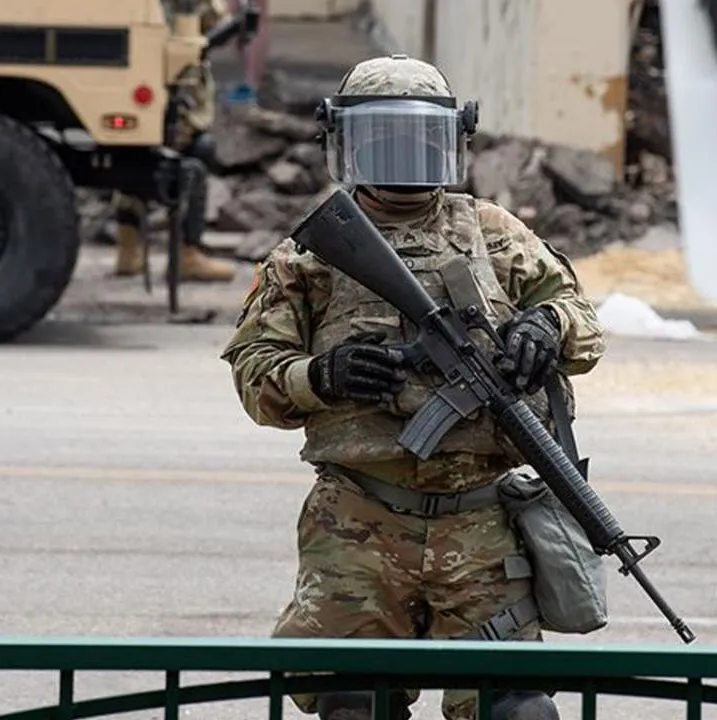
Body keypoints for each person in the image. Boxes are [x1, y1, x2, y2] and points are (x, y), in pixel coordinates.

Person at [220, 54, 606, 720]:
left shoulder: (494, 234)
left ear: (451, 140)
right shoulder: (310, 256)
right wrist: (321, 376)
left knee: (517, 711)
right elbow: (256, 374)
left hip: (482, 526)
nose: (402, 156)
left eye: (419, 137)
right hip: (358, 523)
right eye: (382, 137)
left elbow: (581, 319)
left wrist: (548, 325)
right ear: (344, 141)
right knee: (352, 705)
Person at [111, 0, 237, 282]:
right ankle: (187, 254)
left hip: (133, 72)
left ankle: (129, 248)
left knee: (133, 154)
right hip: (168, 78)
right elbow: (210, 21)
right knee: (194, 153)